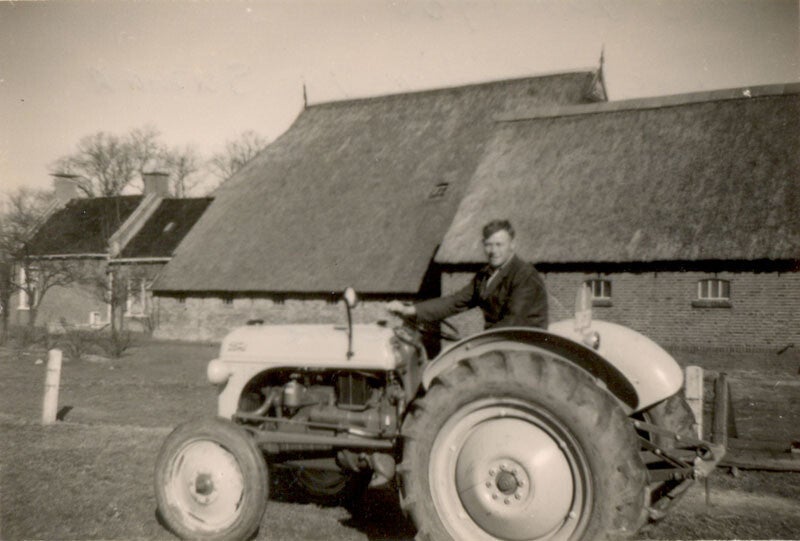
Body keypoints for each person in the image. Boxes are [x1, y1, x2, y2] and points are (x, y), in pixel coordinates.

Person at [388, 219, 548, 330]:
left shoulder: (524, 275)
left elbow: (514, 320)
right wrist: (410, 310)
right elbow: (455, 302)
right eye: (488, 245)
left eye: (499, 245)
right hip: (499, 340)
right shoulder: (485, 275)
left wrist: (479, 343)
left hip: (524, 343)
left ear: (512, 245)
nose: (493, 251)